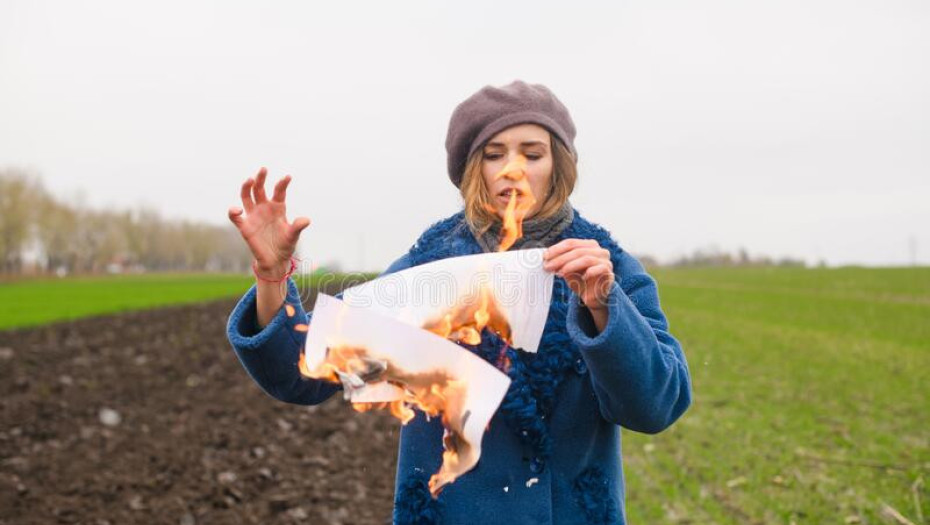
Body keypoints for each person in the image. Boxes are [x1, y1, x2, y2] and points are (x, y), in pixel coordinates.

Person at [225, 80, 692, 525]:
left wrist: (603, 307)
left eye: (533, 153)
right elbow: (302, 373)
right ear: (474, 170)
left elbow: (655, 407)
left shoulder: (607, 268)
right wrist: (272, 277)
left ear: (559, 166)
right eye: (494, 155)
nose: (514, 169)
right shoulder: (427, 269)